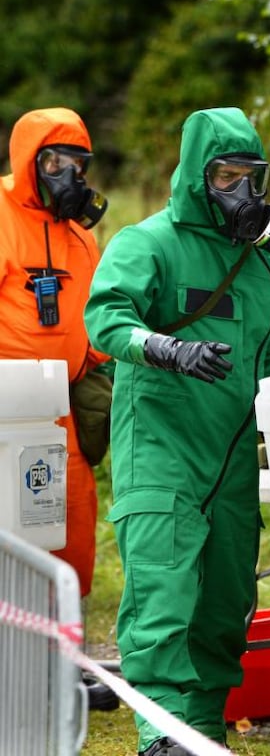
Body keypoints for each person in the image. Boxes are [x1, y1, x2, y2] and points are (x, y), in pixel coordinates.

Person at [84, 107, 270, 756]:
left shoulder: (268, 270)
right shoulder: (146, 244)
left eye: (251, 178)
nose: (241, 193)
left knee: (222, 619)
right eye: (226, 176)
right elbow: (103, 319)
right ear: (197, 176)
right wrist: (165, 350)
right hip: (162, 455)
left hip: (230, 468)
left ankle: (196, 740)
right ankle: (159, 739)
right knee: (163, 608)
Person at [0, 107, 117, 710]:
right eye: (53, 161)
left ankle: (61, 667)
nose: (67, 173)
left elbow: (92, 322)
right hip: (5, 411)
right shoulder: (0, 217)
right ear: (28, 162)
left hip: (60, 406)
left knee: (70, 529)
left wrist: (106, 369)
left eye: (77, 162)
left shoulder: (80, 234)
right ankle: (14, 672)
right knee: (11, 538)